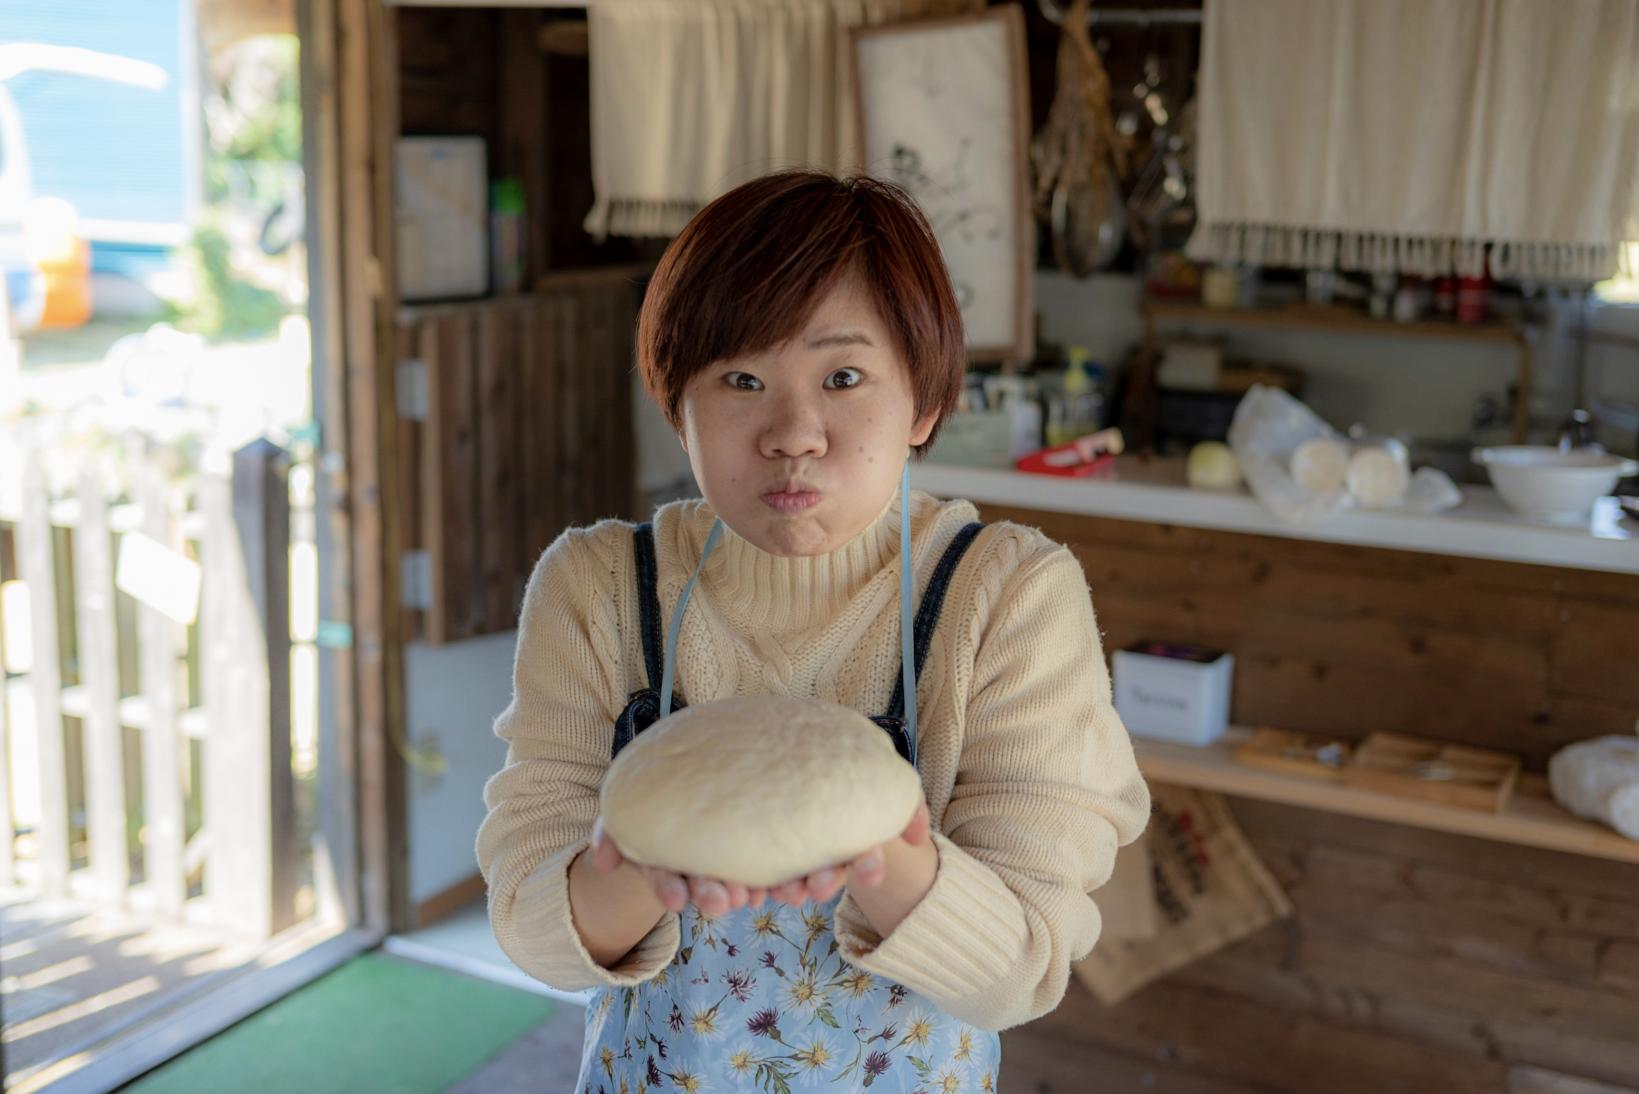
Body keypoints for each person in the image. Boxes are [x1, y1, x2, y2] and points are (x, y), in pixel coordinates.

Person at [476, 169, 1150, 1093]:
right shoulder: (597, 589)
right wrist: (652, 868)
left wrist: (876, 853)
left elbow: (1023, 967)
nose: (793, 434)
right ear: (678, 406)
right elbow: (530, 925)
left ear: (922, 403)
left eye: (843, 377)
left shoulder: (1005, 598)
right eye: (741, 379)